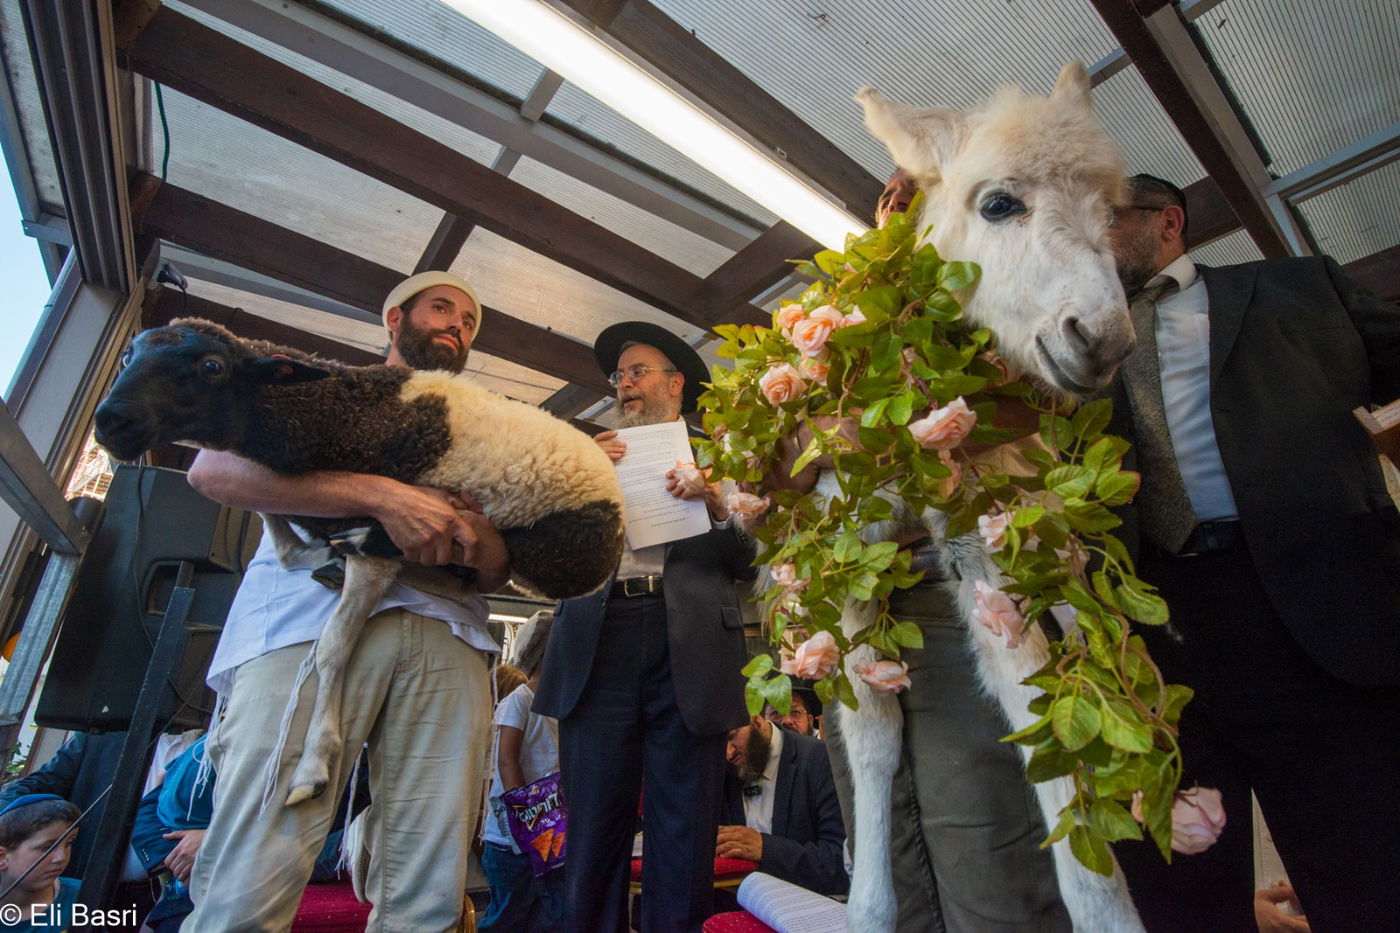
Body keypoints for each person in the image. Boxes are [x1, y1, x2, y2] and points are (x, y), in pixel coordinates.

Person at [1105, 173, 1400, 932]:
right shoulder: (1074, 341)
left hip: (1312, 605)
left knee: (1365, 864)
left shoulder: (1298, 288)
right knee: (1182, 886)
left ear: (1168, 220)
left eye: (1103, 217)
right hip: (1155, 630)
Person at [784, 170, 1070, 932]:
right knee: (885, 856)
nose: (898, 202)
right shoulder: (839, 325)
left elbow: (1040, 406)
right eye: (889, 197)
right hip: (856, 616)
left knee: (988, 855)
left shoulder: (992, 304)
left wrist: (896, 427)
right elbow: (786, 463)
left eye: (920, 194)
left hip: (963, 601)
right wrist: (839, 434)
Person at [183, 271, 510, 932]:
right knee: (252, 872)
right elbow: (213, 470)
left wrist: (473, 536)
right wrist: (382, 496)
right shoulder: (319, 389)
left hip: (449, 634)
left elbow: (503, 566)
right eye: (441, 308)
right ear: (394, 319)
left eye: (469, 322)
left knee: (430, 887)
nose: (457, 325)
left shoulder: (482, 432)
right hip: (307, 626)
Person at [533, 320, 756, 933]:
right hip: (597, 639)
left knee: (683, 830)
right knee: (594, 827)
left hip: (687, 644)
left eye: (637, 373)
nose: (624, 385)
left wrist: (715, 500)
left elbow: (751, 561)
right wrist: (577, 480)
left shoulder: (725, 455)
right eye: (618, 376)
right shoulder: (588, 453)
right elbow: (547, 553)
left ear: (675, 382)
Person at [480, 612, 563, 933]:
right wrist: (529, 815)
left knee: (548, 916)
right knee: (507, 917)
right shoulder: (520, 701)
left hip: (550, 836)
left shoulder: (561, 708)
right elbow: (507, 761)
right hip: (511, 840)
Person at [716, 713, 847, 897]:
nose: (728, 753)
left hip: (805, 910)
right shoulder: (722, 772)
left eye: (732, 737)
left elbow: (839, 863)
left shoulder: (819, 760)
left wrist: (765, 848)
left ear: (755, 717)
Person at [0, 795, 81, 931]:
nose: (61, 857)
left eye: (69, 843)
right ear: (2, 857)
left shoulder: (85, 898)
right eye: (47, 847)